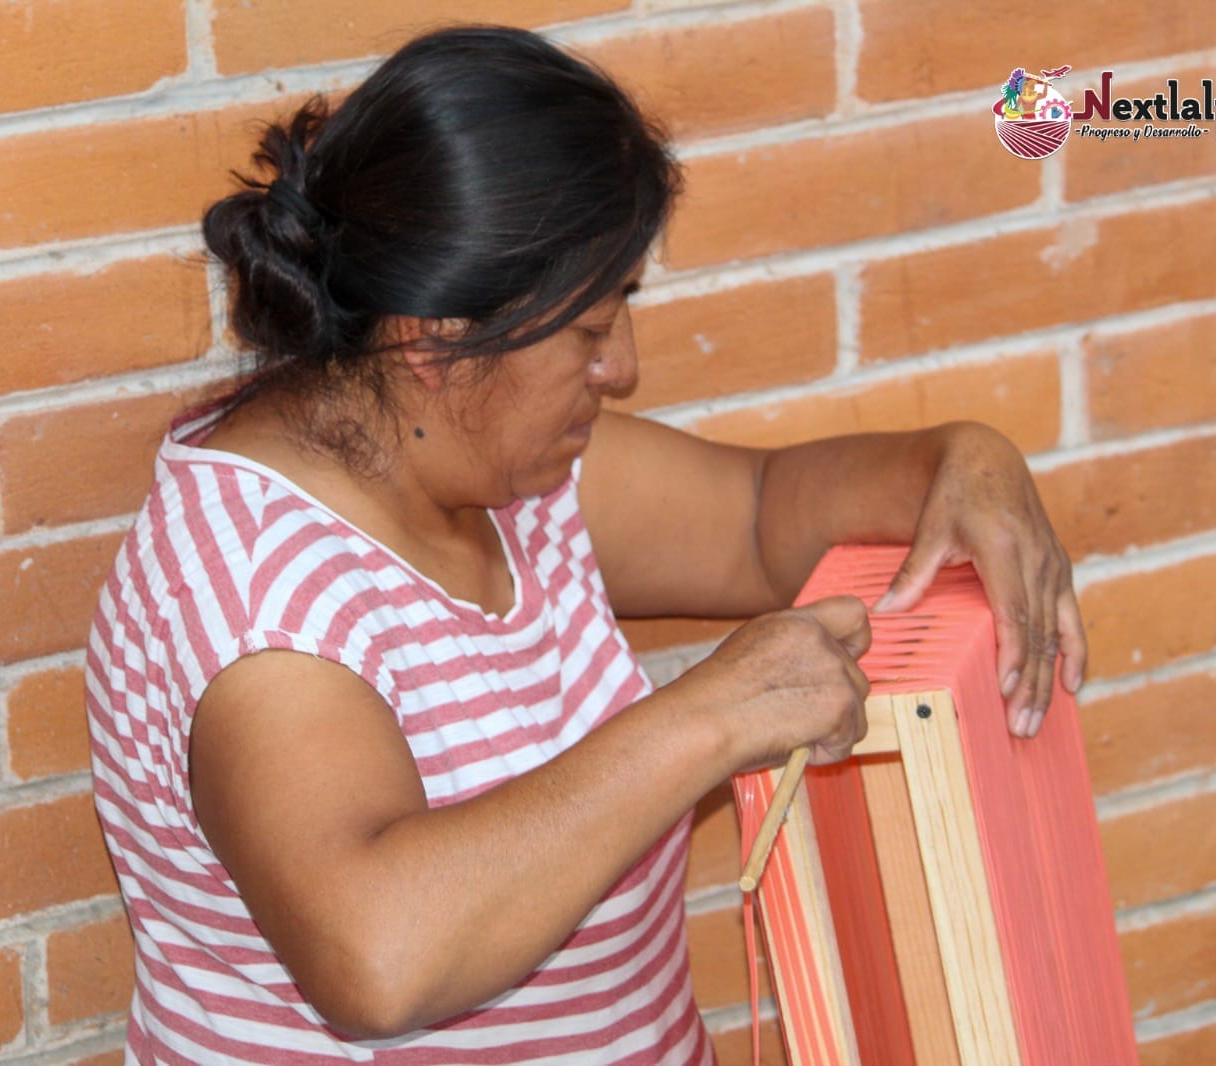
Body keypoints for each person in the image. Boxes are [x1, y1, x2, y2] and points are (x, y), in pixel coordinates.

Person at [85, 24, 1085, 1064]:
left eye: (623, 314)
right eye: (589, 334)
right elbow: (379, 957)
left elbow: (759, 515)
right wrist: (709, 717)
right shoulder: (259, 592)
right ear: (434, 343)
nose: (623, 370)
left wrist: (959, 464)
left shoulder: (511, 476)